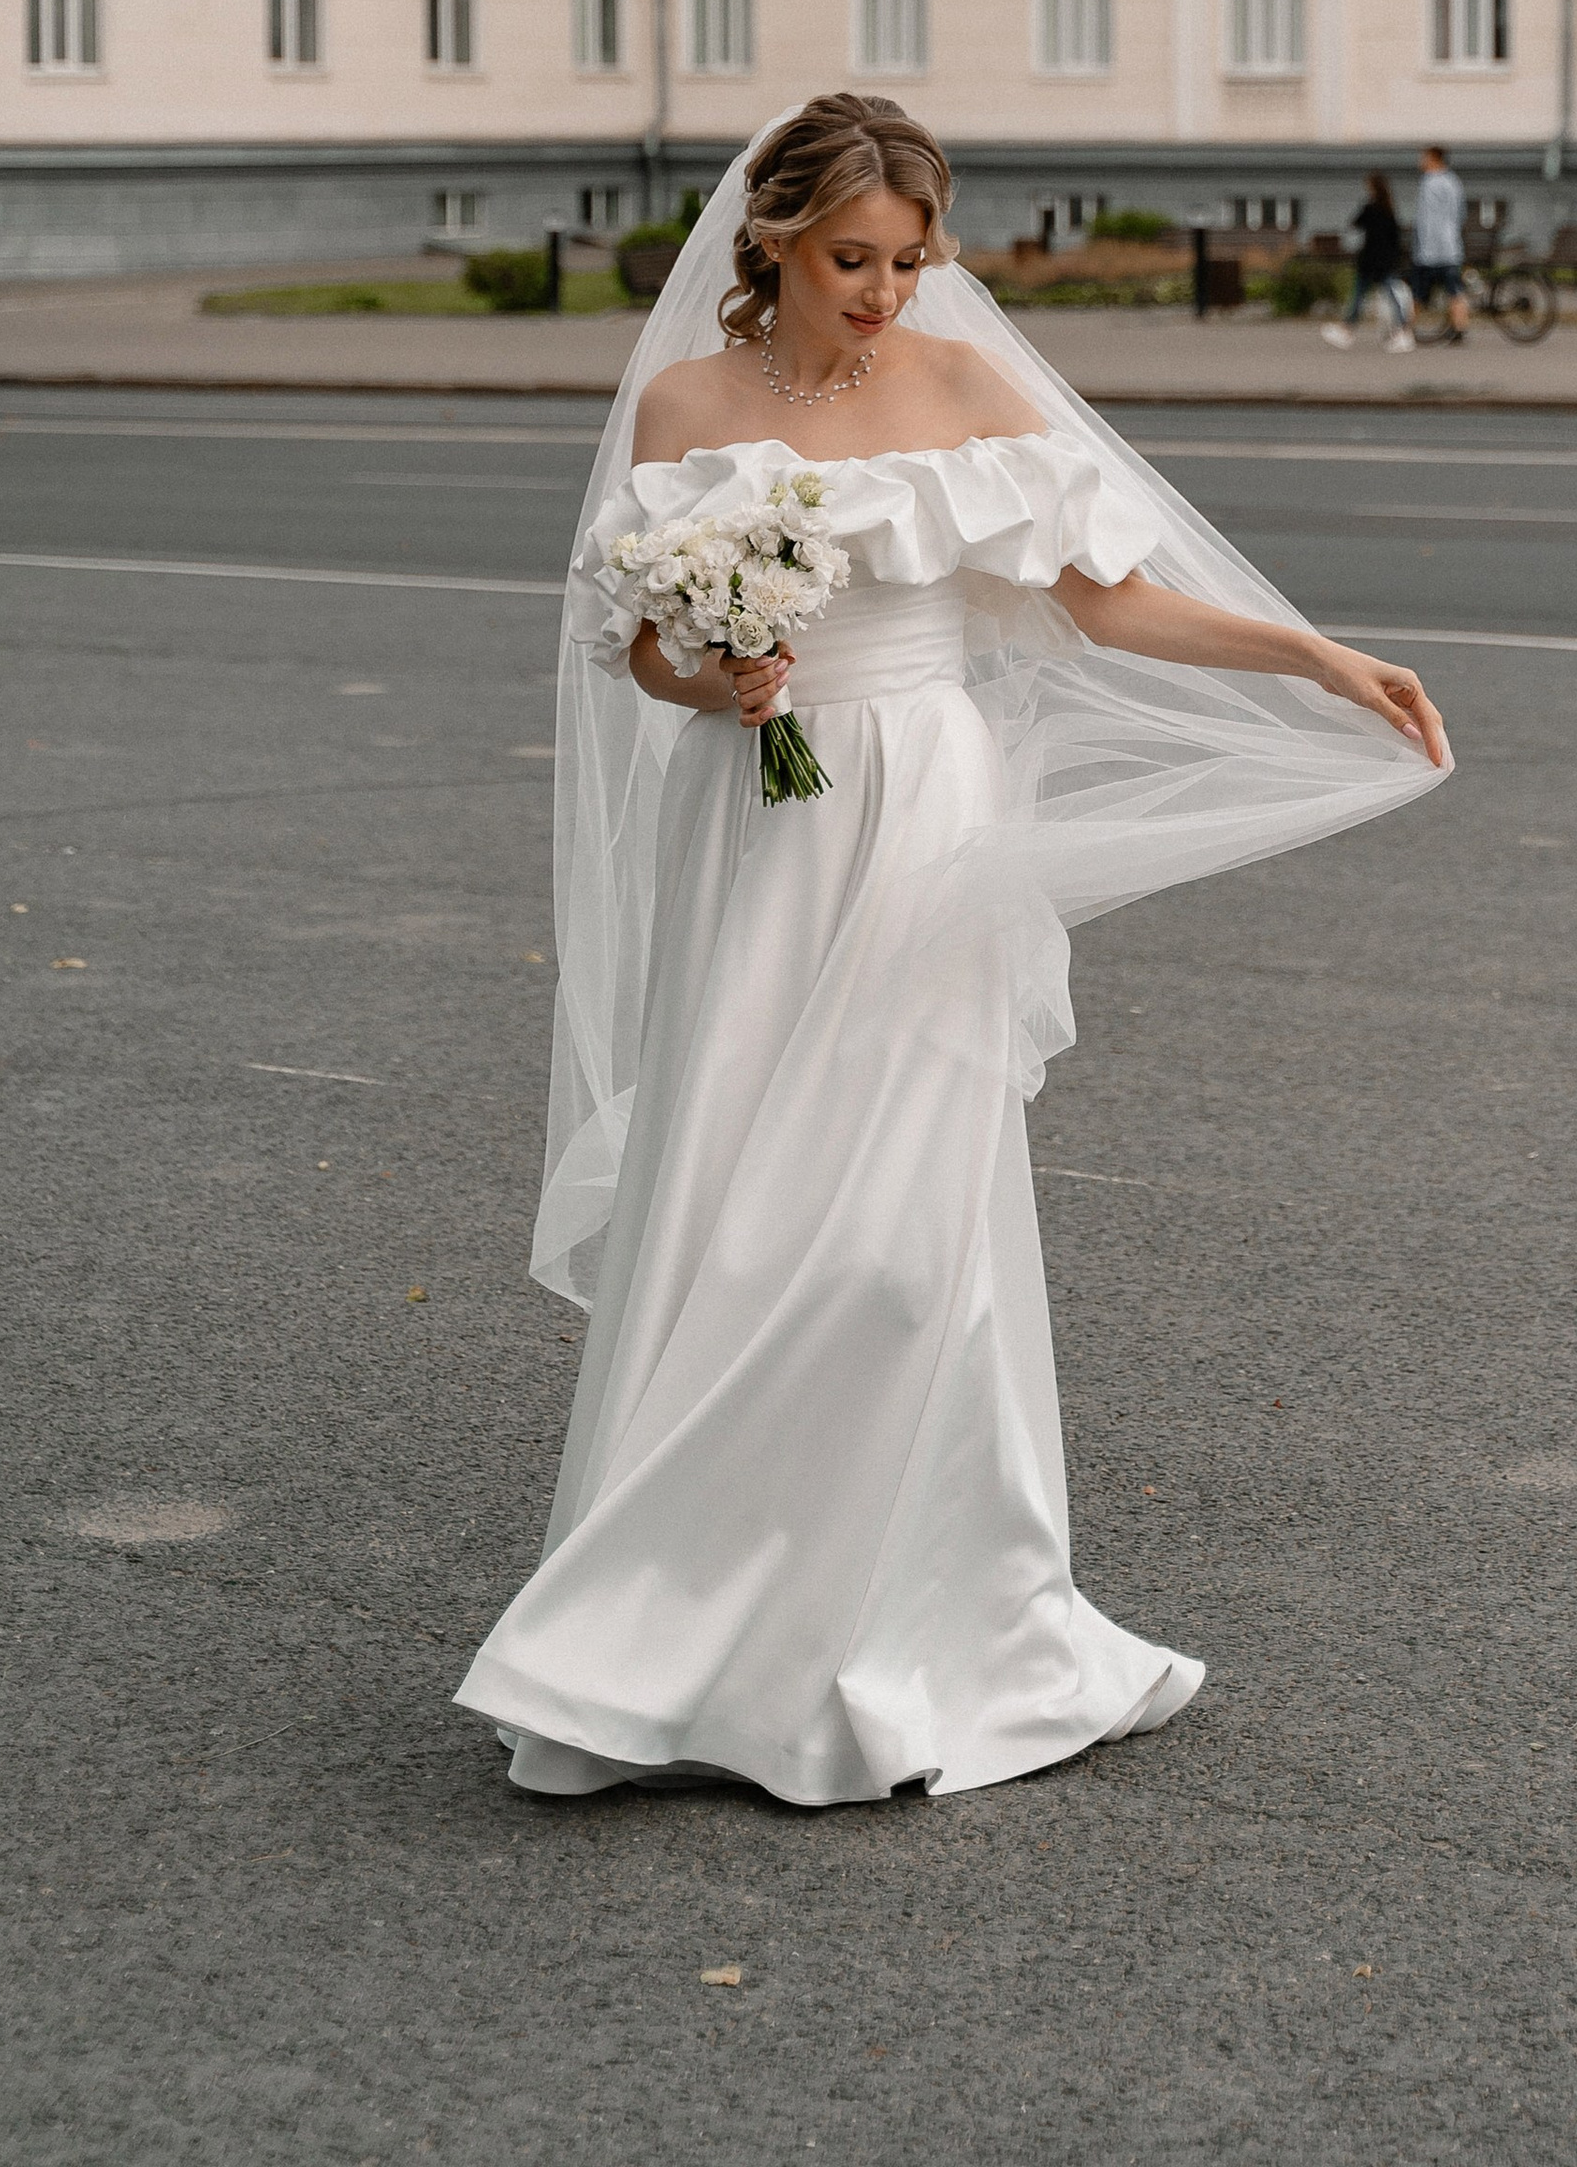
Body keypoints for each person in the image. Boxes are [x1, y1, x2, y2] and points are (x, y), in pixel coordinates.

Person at [457, 91, 1450, 1808]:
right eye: (856, 256)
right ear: (770, 234)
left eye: (912, 258)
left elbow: (1109, 597)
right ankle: (667, 1643)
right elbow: (645, 659)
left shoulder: (967, 388)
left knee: (903, 1241)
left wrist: (1314, 654)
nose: (889, 290)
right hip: (751, 832)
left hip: (922, 817)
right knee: (737, 1207)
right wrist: (726, 669)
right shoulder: (690, 405)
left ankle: (911, 1623)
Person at [1320, 170, 1414, 352]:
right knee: (1391, 296)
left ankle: (1347, 330)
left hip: (1370, 261)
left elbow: (1355, 223)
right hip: (1385, 261)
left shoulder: (1371, 209)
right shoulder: (1389, 210)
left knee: (1359, 296)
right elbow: (1395, 237)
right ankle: (1402, 331)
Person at [1411, 143, 1472, 346]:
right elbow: (1460, 214)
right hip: (1451, 246)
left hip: (1431, 249)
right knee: (1455, 290)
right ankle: (1460, 328)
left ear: (1434, 158)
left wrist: (1421, 245)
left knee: (1418, 291)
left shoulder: (1430, 183)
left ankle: (1405, 327)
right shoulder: (1453, 182)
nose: (1421, 161)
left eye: (1424, 157)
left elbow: (1425, 218)